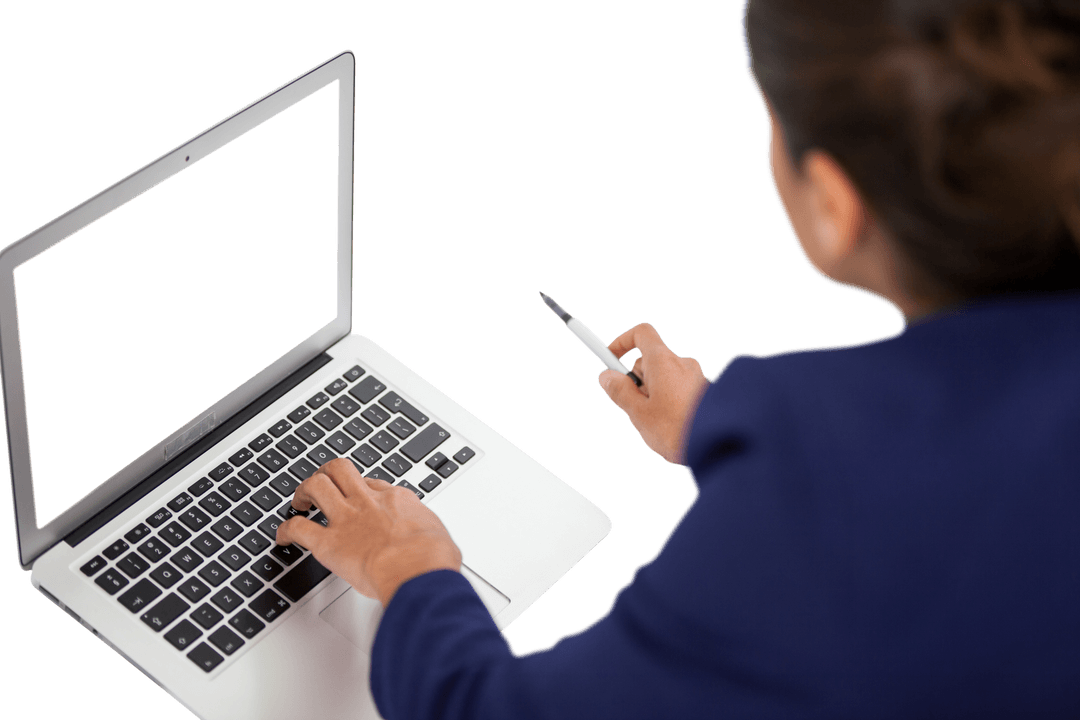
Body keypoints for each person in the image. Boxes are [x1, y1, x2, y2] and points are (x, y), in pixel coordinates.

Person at [276, 0, 1080, 716]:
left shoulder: (816, 469)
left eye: (771, 122)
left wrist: (411, 565)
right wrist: (717, 434)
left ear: (835, 206)